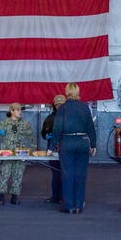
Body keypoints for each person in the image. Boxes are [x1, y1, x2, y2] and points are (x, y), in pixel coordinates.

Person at [52, 82, 96, 214]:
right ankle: (79, 205)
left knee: (67, 174)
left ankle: (69, 205)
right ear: (78, 92)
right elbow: (90, 127)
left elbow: (57, 128)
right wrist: (93, 144)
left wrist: (51, 146)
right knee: (81, 174)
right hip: (82, 141)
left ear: (67, 93)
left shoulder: (62, 108)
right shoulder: (84, 107)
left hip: (67, 142)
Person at [0, 103, 35, 205]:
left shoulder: (25, 123)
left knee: (18, 173)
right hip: (7, 151)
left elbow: (31, 137)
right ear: (12, 111)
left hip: (20, 151)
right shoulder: (3, 123)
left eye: (21, 110)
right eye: (18, 110)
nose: (20, 112)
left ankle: (15, 195)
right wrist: (0, 133)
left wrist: (33, 149)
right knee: (5, 173)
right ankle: (1, 195)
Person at [40, 94, 66, 203]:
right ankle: (55, 196)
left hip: (66, 148)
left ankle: (64, 196)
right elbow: (43, 134)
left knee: (65, 173)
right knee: (55, 173)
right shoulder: (50, 118)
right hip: (53, 148)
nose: (59, 106)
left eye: (61, 104)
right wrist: (47, 135)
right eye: (57, 104)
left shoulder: (69, 117)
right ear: (54, 105)